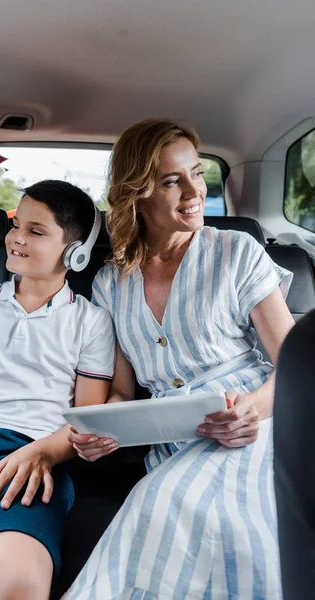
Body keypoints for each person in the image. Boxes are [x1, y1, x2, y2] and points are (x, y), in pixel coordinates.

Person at [65, 119, 295, 599]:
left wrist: (250, 410)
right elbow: (124, 391)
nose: (196, 191)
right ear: (136, 194)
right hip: (174, 438)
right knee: (172, 508)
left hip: (257, 423)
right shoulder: (111, 283)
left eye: (197, 172)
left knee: (174, 507)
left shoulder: (236, 251)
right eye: (173, 180)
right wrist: (99, 430)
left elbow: (299, 366)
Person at [0, 180, 115, 600]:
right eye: (16, 224)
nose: (16, 237)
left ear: (75, 252)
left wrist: (42, 453)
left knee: (15, 583)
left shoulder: (91, 322)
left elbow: (86, 420)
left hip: (28, 459)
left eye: (36, 231)